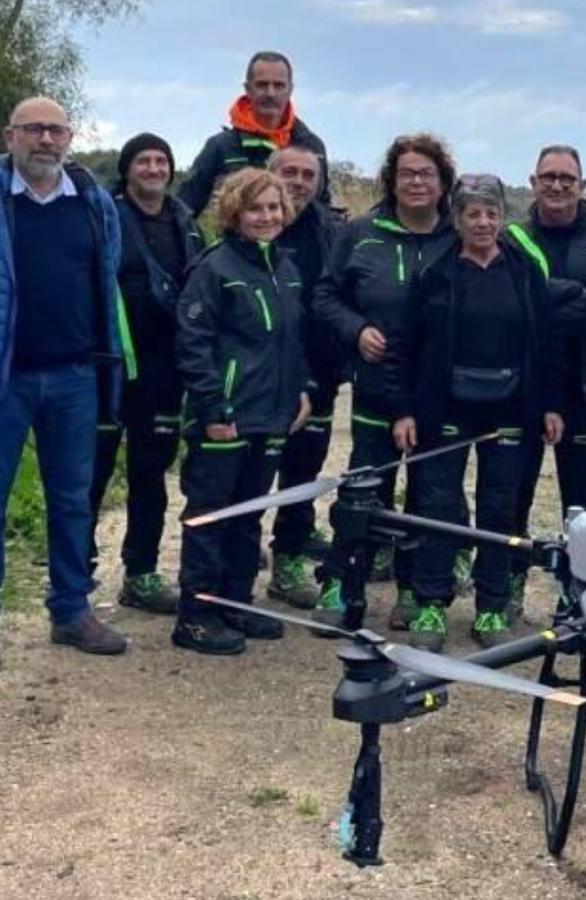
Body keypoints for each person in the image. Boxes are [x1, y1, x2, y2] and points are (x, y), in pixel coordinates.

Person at [0, 97, 130, 669]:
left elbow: (106, 276)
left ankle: (71, 609)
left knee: (72, 500)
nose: (46, 140)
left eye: (56, 130)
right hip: (1, 379)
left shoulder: (94, 203)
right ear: (10, 137)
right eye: (34, 130)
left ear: (69, 138)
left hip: (75, 375)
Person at [388, 174, 564, 653]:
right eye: (473, 214)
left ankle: (491, 605)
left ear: (502, 217)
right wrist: (404, 411)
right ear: (457, 219)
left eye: (491, 213)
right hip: (446, 407)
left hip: (511, 409)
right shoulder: (435, 273)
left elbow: (547, 343)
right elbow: (406, 347)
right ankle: (431, 602)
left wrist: (551, 404)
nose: (483, 222)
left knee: (499, 508)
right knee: (438, 506)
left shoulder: (524, 271)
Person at [311, 133, 459, 629]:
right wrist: (356, 329)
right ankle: (341, 581)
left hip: (437, 391)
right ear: (391, 181)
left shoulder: (457, 237)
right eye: (406, 173)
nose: (416, 182)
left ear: (443, 183)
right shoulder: (360, 234)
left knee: (430, 494)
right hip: (376, 384)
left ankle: (414, 588)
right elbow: (325, 297)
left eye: (426, 174)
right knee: (364, 488)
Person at [170, 168, 312, 655]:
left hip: (271, 415)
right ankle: (195, 616)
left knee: (249, 515)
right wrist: (212, 407)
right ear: (235, 212)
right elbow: (193, 343)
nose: (266, 216)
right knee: (211, 516)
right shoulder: (214, 268)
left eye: (274, 207)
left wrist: (301, 390)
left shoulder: (286, 269)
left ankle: (235, 602)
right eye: (255, 208)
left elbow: (293, 341)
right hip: (224, 417)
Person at [86, 133, 203, 615]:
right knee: (91, 473)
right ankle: (76, 572)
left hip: (163, 371)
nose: (154, 169)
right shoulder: (104, 217)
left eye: (161, 161)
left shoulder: (186, 223)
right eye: (143, 161)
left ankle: (141, 572)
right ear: (127, 169)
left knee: (150, 474)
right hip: (108, 367)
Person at [507, 145, 586, 615]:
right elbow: (510, 302)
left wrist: (544, 303)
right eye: (548, 176)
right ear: (533, 182)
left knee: (583, 503)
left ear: (583, 185)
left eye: (567, 177)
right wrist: (565, 300)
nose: (557, 185)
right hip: (525, 387)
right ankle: (505, 587)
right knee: (513, 495)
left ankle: (581, 595)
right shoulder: (511, 240)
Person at [263, 145, 344, 609]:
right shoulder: (254, 223)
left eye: (307, 175)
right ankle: (226, 567)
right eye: (288, 172)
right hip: (259, 379)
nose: (297, 181)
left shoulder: (331, 232)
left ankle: (288, 560)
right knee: (245, 479)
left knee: (301, 474)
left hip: (318, 376)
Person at [178, 51, 330, 217]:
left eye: (278, 85)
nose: (270, 93)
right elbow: (183, 209)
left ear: (290, 90)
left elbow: (323, 208)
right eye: (262, 85)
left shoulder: (312, 146)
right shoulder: (220, 147)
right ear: (248, 89)